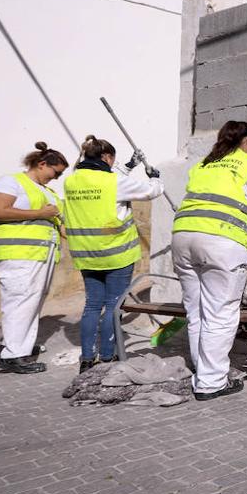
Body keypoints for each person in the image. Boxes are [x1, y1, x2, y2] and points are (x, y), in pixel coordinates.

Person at [172, 120, 247, 400]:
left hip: (182, 238)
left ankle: (202, 369)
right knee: (220, 313)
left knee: (196, 310)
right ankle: (211, 383)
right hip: (221, 243)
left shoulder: (202, 164)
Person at [63, 135, 164, 373]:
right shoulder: (114, 181)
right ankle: (108, 357)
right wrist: (156, 178)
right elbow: (150, 192)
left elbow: (109, 188)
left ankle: (87, 359)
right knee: (113, 305)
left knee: (91, 306)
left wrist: (129, 166)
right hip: (116, 255)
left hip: (86, 254)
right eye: (112, 160)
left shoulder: (72, 181)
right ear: (107, 157)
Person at [0, 141, 68, 374]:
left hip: (41, 254)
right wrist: (40, 212)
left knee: (31, 301)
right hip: (17, 254)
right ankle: (12, 355)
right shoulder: (10, 181)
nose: (56, 178)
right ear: (42, 164)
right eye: (56, 172)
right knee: (19, 301)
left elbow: (58, 223)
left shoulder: (48, 192)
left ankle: (19, 347)